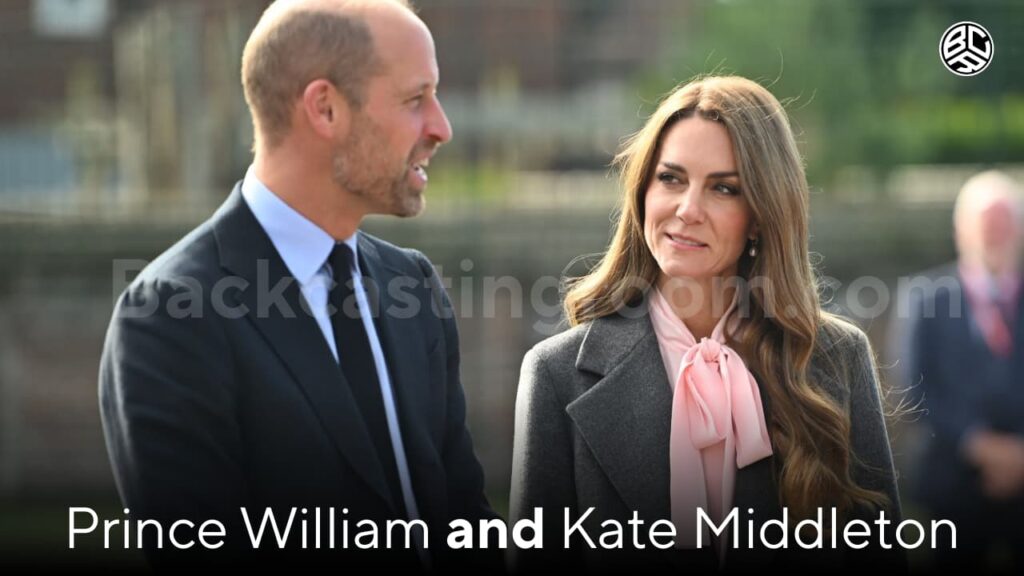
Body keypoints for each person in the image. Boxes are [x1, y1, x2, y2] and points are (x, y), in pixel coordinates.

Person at [98, 0, 495, 570]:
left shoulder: (412, 286)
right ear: (325, 108)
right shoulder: (169, 317)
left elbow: (465, 527)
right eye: (416, 99)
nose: (442, 127)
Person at [509, 76, 905, 573]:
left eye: (723, 188)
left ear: (760, 214)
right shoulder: (556, 373)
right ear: (642, 191)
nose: (688, 210)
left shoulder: (836, 357)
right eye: (671, 179)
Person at [901, 170, 1024, 571]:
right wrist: (979, 445)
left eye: (1004, 223)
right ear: (960, 231)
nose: (995, 233)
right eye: (986, 223)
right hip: (952, 484)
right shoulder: (925, 298)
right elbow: (914, 388)